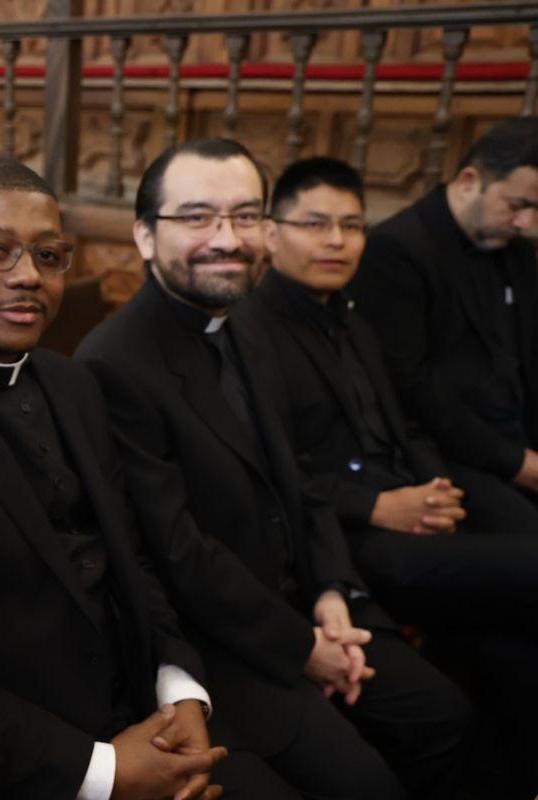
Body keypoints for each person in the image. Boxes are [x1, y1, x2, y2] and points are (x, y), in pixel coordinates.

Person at [76, 138, 470, 798]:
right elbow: (179, 554)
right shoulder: (115, 365)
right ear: (144, 236)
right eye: (197, 217)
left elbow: (300, 476)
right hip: (225, 648)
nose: (227, 239)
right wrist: (301, 647)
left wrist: (331, 592)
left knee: (444, 715)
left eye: (245, 216)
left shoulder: (246, 324)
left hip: (307, 607)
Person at [0, 157, 224, 800]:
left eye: (49, 254)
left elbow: (130, 555)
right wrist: (102, 772)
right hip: (21, 766)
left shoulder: (74, 382)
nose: (28, 277)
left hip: (145, 713)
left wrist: (180, 689)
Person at [239, 155, 538, 796]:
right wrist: (377, 504)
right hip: (354, 541)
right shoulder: (250, 332)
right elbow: (276, 472)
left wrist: (437, 488)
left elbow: (406, 426)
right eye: (315, 224)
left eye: (352, 225)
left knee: (512, 651)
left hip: (412, 510)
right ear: (270, 232)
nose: (336, 241)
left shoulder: (351, 315)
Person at [350, 118, 538, 533]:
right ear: (470, 181)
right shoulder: (396, 251)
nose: (526, 223)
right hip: (448, 454)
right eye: (518, 205)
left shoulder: (517, 253)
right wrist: (519, 464)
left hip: (515, 441)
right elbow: (412, 391)